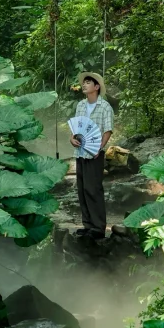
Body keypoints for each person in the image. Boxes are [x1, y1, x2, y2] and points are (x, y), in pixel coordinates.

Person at [70, 71, 114, 240]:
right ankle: (87, 224)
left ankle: (98, 227)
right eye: (84, 82)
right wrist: (72, 138)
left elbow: (108, 130)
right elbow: (76, 128)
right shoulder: (80, 105)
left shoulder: (105, 107)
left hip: (95, 153)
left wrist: (99, 148)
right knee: (82, 188)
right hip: (80, 151)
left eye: (88, 82)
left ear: (96, 87)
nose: (84, 84)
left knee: (93, 189)